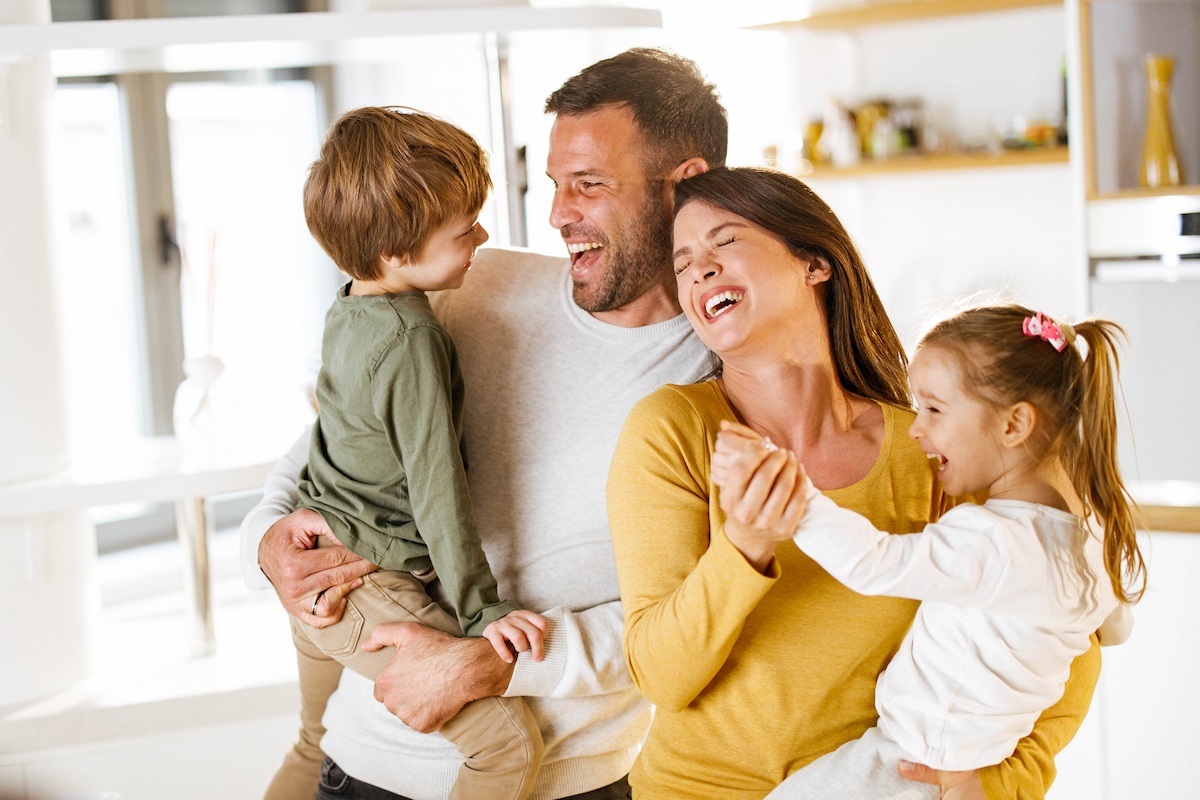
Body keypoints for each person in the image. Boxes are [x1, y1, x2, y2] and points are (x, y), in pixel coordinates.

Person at [239, 48, 724, 800]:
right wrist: (268, 545)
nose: (558, 214)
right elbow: (328, 447)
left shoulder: (721, 377)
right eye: (555, 183)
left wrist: (499, 662)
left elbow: (699, 622)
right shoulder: (468, 288)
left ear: (685, 185)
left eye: (590, 184)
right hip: (359, 769)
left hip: (558, 783)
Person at [606, 166, 1103, 800]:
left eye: (725, 241)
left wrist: (1005, 780)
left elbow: (1065, 626)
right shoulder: (673, 430)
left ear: (814, 263)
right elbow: (662, 678)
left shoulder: (931, 449)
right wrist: (745, 546)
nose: (699, 270)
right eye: (682, 265)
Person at [709, 303, 1143, 799]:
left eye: (934, 409)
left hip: (903, 764)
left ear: (1014, 425)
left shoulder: (993, 541)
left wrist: (784, 486)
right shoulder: (1092, 542)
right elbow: (1115, 629)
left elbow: (872, 563)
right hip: (970, 767)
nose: (916, 428)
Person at [267, 105, 555, 800]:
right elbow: (437, 491)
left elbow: (337, 429)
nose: (483, 237)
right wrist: (482, 612)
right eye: (465, 230)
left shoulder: (349, 306)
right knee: (509, 747)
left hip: (324, 570)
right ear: (396, 253)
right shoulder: (412, 339)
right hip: (364, 587)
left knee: (311, 740)